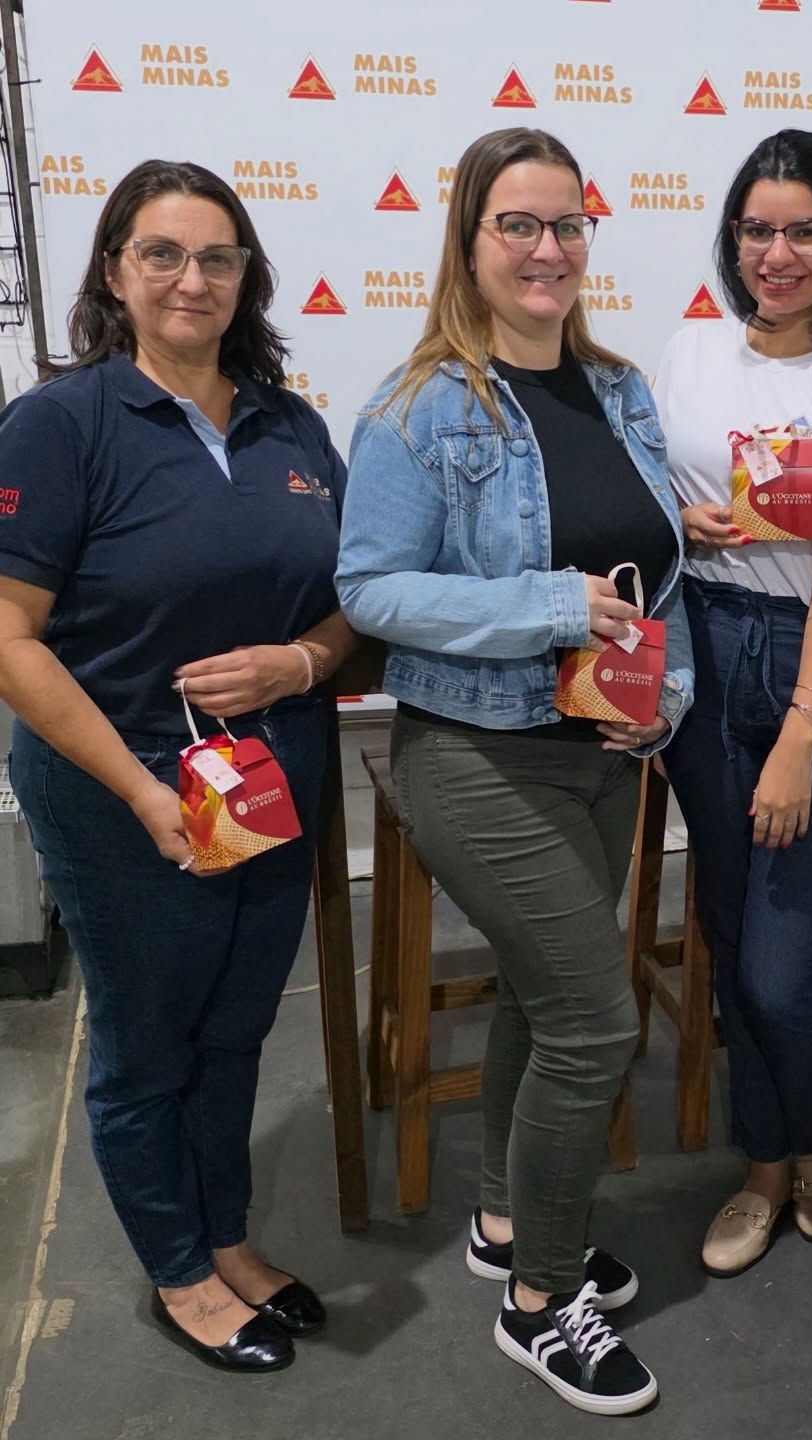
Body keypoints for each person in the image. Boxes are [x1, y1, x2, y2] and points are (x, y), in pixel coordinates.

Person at [336, 127, 691, 1418]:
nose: (548, 250)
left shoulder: (624, 390)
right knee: (599, 1022)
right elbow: (369, 587)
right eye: (518, 226)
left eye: (567, 226)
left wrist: (666, 702)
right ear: (470, 243)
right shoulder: (423, 403)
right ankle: (540, 1299)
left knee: (550, 1009)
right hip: (475, 753)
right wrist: (545, 605)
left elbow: (661, 573)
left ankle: (501, 1219)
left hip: (601, 753)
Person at [0, 160, 352, 1372]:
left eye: (216, 257)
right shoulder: (61, 423)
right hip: (126, 788)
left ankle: (226, 1234)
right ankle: (179, 1269)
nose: (190, 278)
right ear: (114, 271)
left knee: (239, 1025)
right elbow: (9, 637)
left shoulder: (288, 420)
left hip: (273, 778)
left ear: (246, 275)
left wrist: (299, 665)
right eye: (161, 253)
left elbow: (352, 606)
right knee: (149, 1040)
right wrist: (145, 791)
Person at [654, 130, 812, 1277]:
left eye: (805, 229)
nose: (778, 252)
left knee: (780, 954)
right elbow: (650, 482)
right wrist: (680, 517)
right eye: (759, 228)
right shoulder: (688, 353)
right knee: (723, 926)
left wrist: (803, 732)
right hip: (704, 643)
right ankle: (772, 1165)